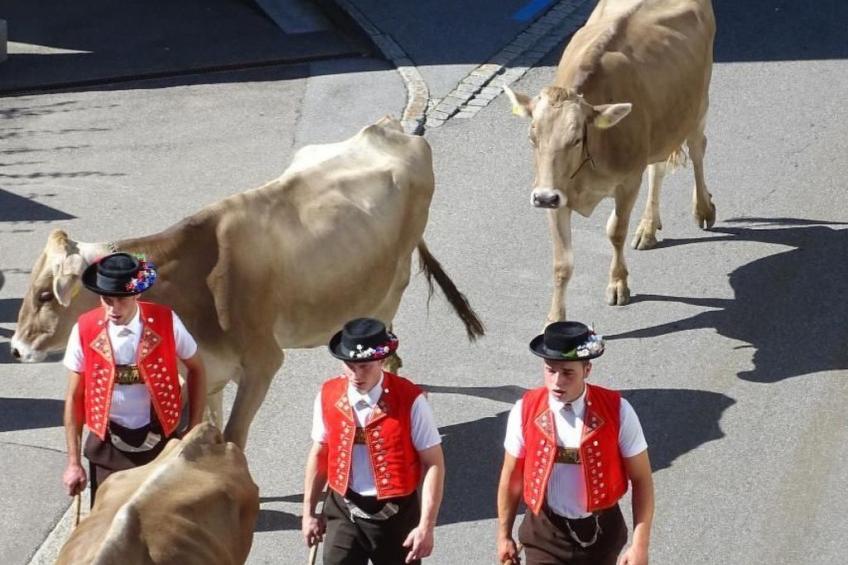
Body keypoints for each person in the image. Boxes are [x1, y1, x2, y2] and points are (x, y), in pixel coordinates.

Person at [497, 321, 654, 565]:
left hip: (601, 535)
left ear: (587, 369)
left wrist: (640, 545)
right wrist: (503, 535)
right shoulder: (524, 410)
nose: (557, 382)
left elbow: (642, 479)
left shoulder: (618, 410)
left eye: (568, 372)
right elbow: (511, 477)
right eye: (550, 370)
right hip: (544, 535)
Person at [61, 252, 206, 504]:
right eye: (106, 299)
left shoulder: (165, 321)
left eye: (121, 300)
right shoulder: (84, 329)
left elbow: (197, 369)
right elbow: (74, 398)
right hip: (107, 447)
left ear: (137, 294)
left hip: (162, 442)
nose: (113, 309)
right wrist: (73, 463)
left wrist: (193, 426)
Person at [302, 318, 445, 564]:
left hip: (396, 516)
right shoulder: (327, 394)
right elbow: (320, 452)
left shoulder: (410, 400)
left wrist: (426, 527)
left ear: (381, 360)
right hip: (343, 510)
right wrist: (308, 513)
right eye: (350, 365)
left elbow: (434, 463)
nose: (357, 375)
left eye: (365, 366)